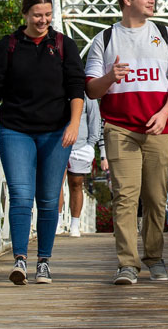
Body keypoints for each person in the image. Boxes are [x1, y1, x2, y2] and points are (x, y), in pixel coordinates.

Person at [85, 0, 168, 285]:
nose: (152, 1)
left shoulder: (167, 34)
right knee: (125, 197)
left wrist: (165, 113)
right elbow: (91, 89)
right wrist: (110, 78)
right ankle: (127, 264)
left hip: (160, 129)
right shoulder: (103, 40)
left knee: (157, 198)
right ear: (127, 0)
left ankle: (155, 258)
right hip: (120, 128)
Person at [0, 0, 84, 286]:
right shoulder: (8, 45)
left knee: (49, 200)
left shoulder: (64, 44)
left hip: (56, 132)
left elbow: (77, 88)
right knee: (21, 196)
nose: (43, 20)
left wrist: (74, 124)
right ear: (24, 14)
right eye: (37, 15)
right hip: (16, 130)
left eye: (48, 15)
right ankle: (20, 260)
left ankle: (44, 262)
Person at [62, 97, 107, 237]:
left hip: (80, 145)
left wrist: (90, 144)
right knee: (55, 184)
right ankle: (57, 221)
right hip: (57, 143)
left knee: (76, 184)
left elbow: (95, 118)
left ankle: (75, 224)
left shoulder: (86, 92)